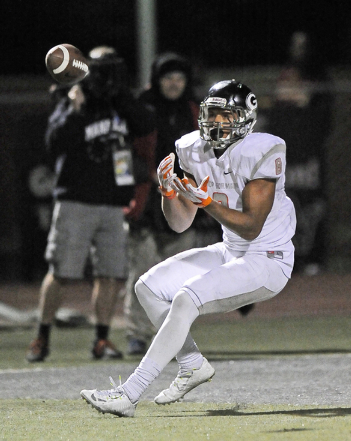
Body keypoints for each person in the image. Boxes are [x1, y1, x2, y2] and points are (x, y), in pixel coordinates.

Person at [80, 79, 296, 417]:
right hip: (231, 250)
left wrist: (208, 202)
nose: (217, 123)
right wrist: (169, 194)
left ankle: (129, 393)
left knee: (185, 297)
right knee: (148, 287)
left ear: (245, 118)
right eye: (212, 114)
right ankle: (192, 363)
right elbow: (180, 222)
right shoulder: (191, 147)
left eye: (226, 116)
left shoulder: (264, 149)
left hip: (269, 259)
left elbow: (252, 226)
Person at [26, 46, 155, 363]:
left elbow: (146, 125)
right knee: (62, 272)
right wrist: (74, 108)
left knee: (110, 274)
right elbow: (53, 144)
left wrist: (121, 93)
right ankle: (41, 337)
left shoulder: (120, 101)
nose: (104, 76)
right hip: (76, 200)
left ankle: (101, 339)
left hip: (113, 202)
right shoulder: (72, 95)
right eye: (100, 68)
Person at [124, 52, 218, 356]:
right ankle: (137, 334)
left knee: (182, 274)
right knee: (143, 271)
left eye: (179, 77)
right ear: (156, 80)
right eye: (168, 77)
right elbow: (127, 152)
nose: (174, 83)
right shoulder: (142, 108)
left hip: (182, 198)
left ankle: (175, 335)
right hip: (148, 199)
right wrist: (149, 175)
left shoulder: (193, 109)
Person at [267, 31, 333, 274]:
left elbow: (323, 121)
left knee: (312, 207)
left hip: (309, 162)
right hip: (287, 161)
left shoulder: (319, 78)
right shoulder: (281, 105)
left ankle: (313, 257)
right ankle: (286, 256)